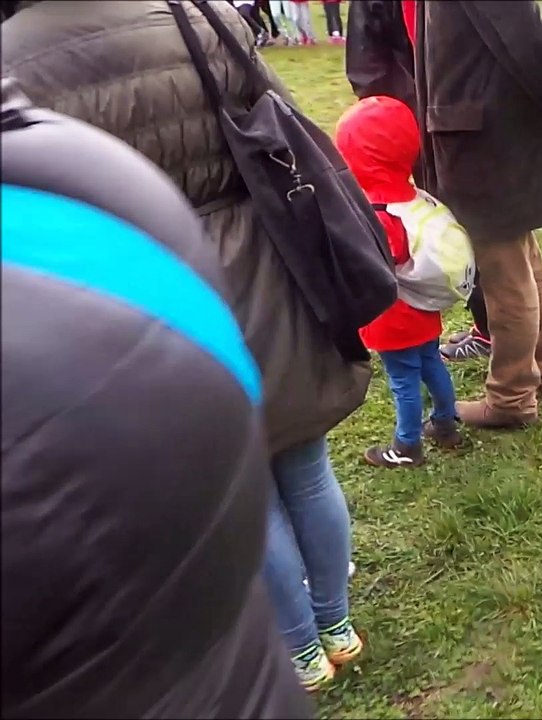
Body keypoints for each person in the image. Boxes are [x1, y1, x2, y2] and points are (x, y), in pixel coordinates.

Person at [3, 0, 369, 691]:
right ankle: (335, 623)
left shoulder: (13, 58)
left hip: (149, 283)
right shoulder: (200, 16)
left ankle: (300, 648)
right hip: (267, 257)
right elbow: (283, 121)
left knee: (247, 491)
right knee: (306, 464)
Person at [387, 0, 542, 429]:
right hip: (477, 131)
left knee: (504, 275)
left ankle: (512, 396)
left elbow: (526, 37)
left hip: (485, 136)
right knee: (522, 261)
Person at [345, 0, 494, 367]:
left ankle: (491, 330)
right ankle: (487, 326)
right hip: (424, 116)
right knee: (449, 223)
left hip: (436, 117)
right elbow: (370, 62)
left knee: (457, 229)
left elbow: (368, 64)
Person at [334, 95, 463, 467]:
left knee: (403, 379)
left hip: (393, 314)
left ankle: (407, 446)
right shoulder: (410, 196)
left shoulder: (376, 211)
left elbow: (373, 262)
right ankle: (445, 424)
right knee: (431, 364)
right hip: (423, 305)